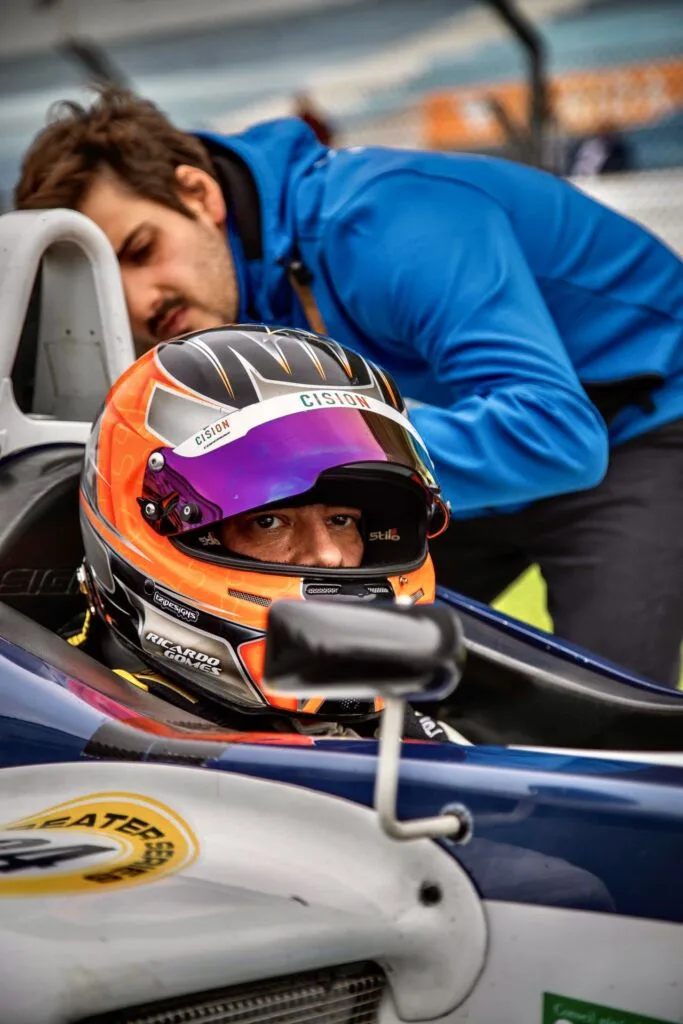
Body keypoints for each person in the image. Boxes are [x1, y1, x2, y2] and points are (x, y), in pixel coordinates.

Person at [16, 88, 683, 686]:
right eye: (114, 286)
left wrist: (314, 457)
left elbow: (557, 432)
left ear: (199, 194)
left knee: (604, 731)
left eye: (141, 249)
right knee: (317, 665)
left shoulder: (387, 223)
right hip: (496, 445)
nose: (141, 302)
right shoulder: (233, 281)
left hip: (642, 425)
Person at [69, 322, 453, 740]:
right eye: (269, 521)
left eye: (341, 520)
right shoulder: (68, 724)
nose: (328, 555)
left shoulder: (411, 733)